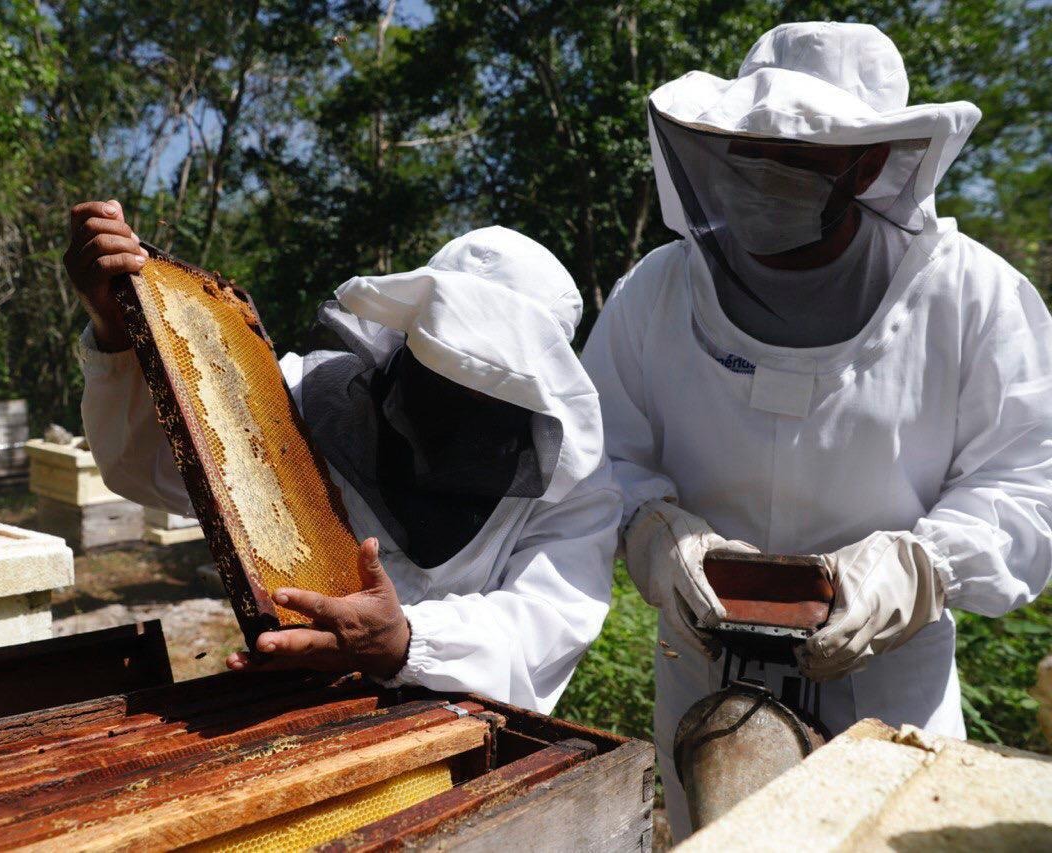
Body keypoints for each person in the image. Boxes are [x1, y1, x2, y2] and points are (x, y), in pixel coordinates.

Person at [580, 21, 1052, 838]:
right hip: (701, 687)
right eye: (746, 152)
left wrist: (920, 566)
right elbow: (594, 455)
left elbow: (1030, 480)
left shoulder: (972, 296)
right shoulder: (655, 292)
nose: (759, 176)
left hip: (887, 699)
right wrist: (654, 529)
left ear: (868, 164)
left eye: (795, 158)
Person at [67, 210, 618, 713]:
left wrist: (404, 641)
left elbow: (550, 620)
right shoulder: (299, 397)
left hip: (459, 721)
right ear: (408, 341)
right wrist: (117, 325)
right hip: (295, 702)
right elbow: (148, 468)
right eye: (446, 376)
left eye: (490, 389)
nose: (462, 406)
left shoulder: (575, 482)